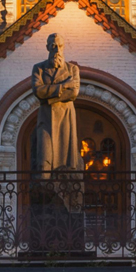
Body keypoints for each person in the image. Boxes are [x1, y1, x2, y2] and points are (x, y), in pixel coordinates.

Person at [30, 33, 84, 174]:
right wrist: (64, 85)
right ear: (47, 47)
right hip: (46, 118)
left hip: (65, 117)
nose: (57, 50)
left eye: (59, 46)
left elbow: (74, 93)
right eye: (53, 46)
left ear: (63, 47)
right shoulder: (39, 68)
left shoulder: (72, 69)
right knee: (44, 157)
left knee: (66, 159)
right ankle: (43, 185)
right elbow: (38, 91)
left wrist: (48, 98)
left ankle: (66, 185)